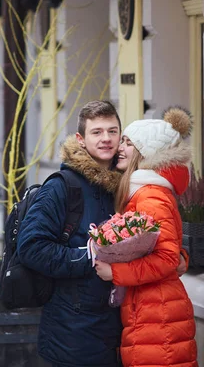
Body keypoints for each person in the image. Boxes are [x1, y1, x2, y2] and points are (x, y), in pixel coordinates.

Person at [18, 100, 123, 367]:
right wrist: (88, 257)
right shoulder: (62, 187)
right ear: (81, 139)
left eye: (112, 131)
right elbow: (31, 247)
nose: (106, 139)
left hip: (117, 329)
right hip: (72, 332)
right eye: (97, 132)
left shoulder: (124, 185)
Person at [95, 107, 198, 367]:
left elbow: (165, 258)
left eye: (129, 143)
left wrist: (115, 272)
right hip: (153, 309)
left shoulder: (149, 195)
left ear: (145, 153)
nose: (120, 146)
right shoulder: (144, 192)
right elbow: (171, 249)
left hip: (158, 313)